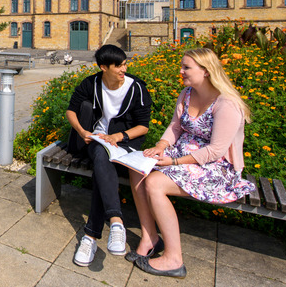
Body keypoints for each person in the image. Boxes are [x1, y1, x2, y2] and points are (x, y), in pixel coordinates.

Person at [131, 48, 256, 279]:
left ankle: (174, 259)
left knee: (155, 184)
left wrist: (172, 161)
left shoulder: (226, 103)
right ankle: (150, 237)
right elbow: (175, 127)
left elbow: (216, 150)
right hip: (180, 156)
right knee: (137, 171)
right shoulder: (187, 93)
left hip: (215, 168)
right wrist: (160, 146)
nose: (181, 71)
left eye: (186, 67)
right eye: (182, 66)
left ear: (206, 71)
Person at [67, 44, 152, 267]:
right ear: (104, 67)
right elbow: (71, 110)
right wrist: (82, 131)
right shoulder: (92, 83)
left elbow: (143, 127)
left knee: (101, 166)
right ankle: (115, 222)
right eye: (119, 65)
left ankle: (91, 236)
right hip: (97, 140)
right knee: (101, 156)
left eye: (125, 63)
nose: (124, 68)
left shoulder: (136, 88)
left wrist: (118, 136)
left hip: (126, 143)